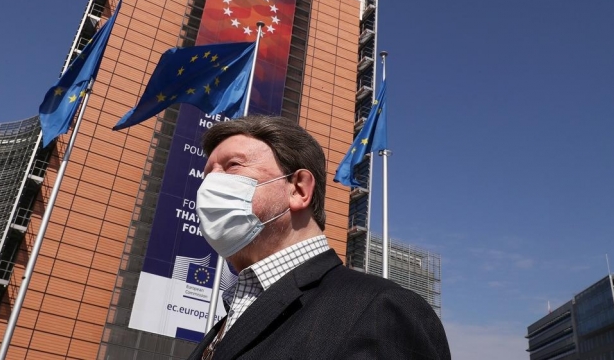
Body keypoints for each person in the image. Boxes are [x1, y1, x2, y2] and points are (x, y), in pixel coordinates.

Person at [188, 115, 450, 360]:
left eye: (232, 165)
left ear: (299, 189)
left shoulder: (380, 308)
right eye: (207, 173)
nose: (210, 184)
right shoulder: (226, 319)